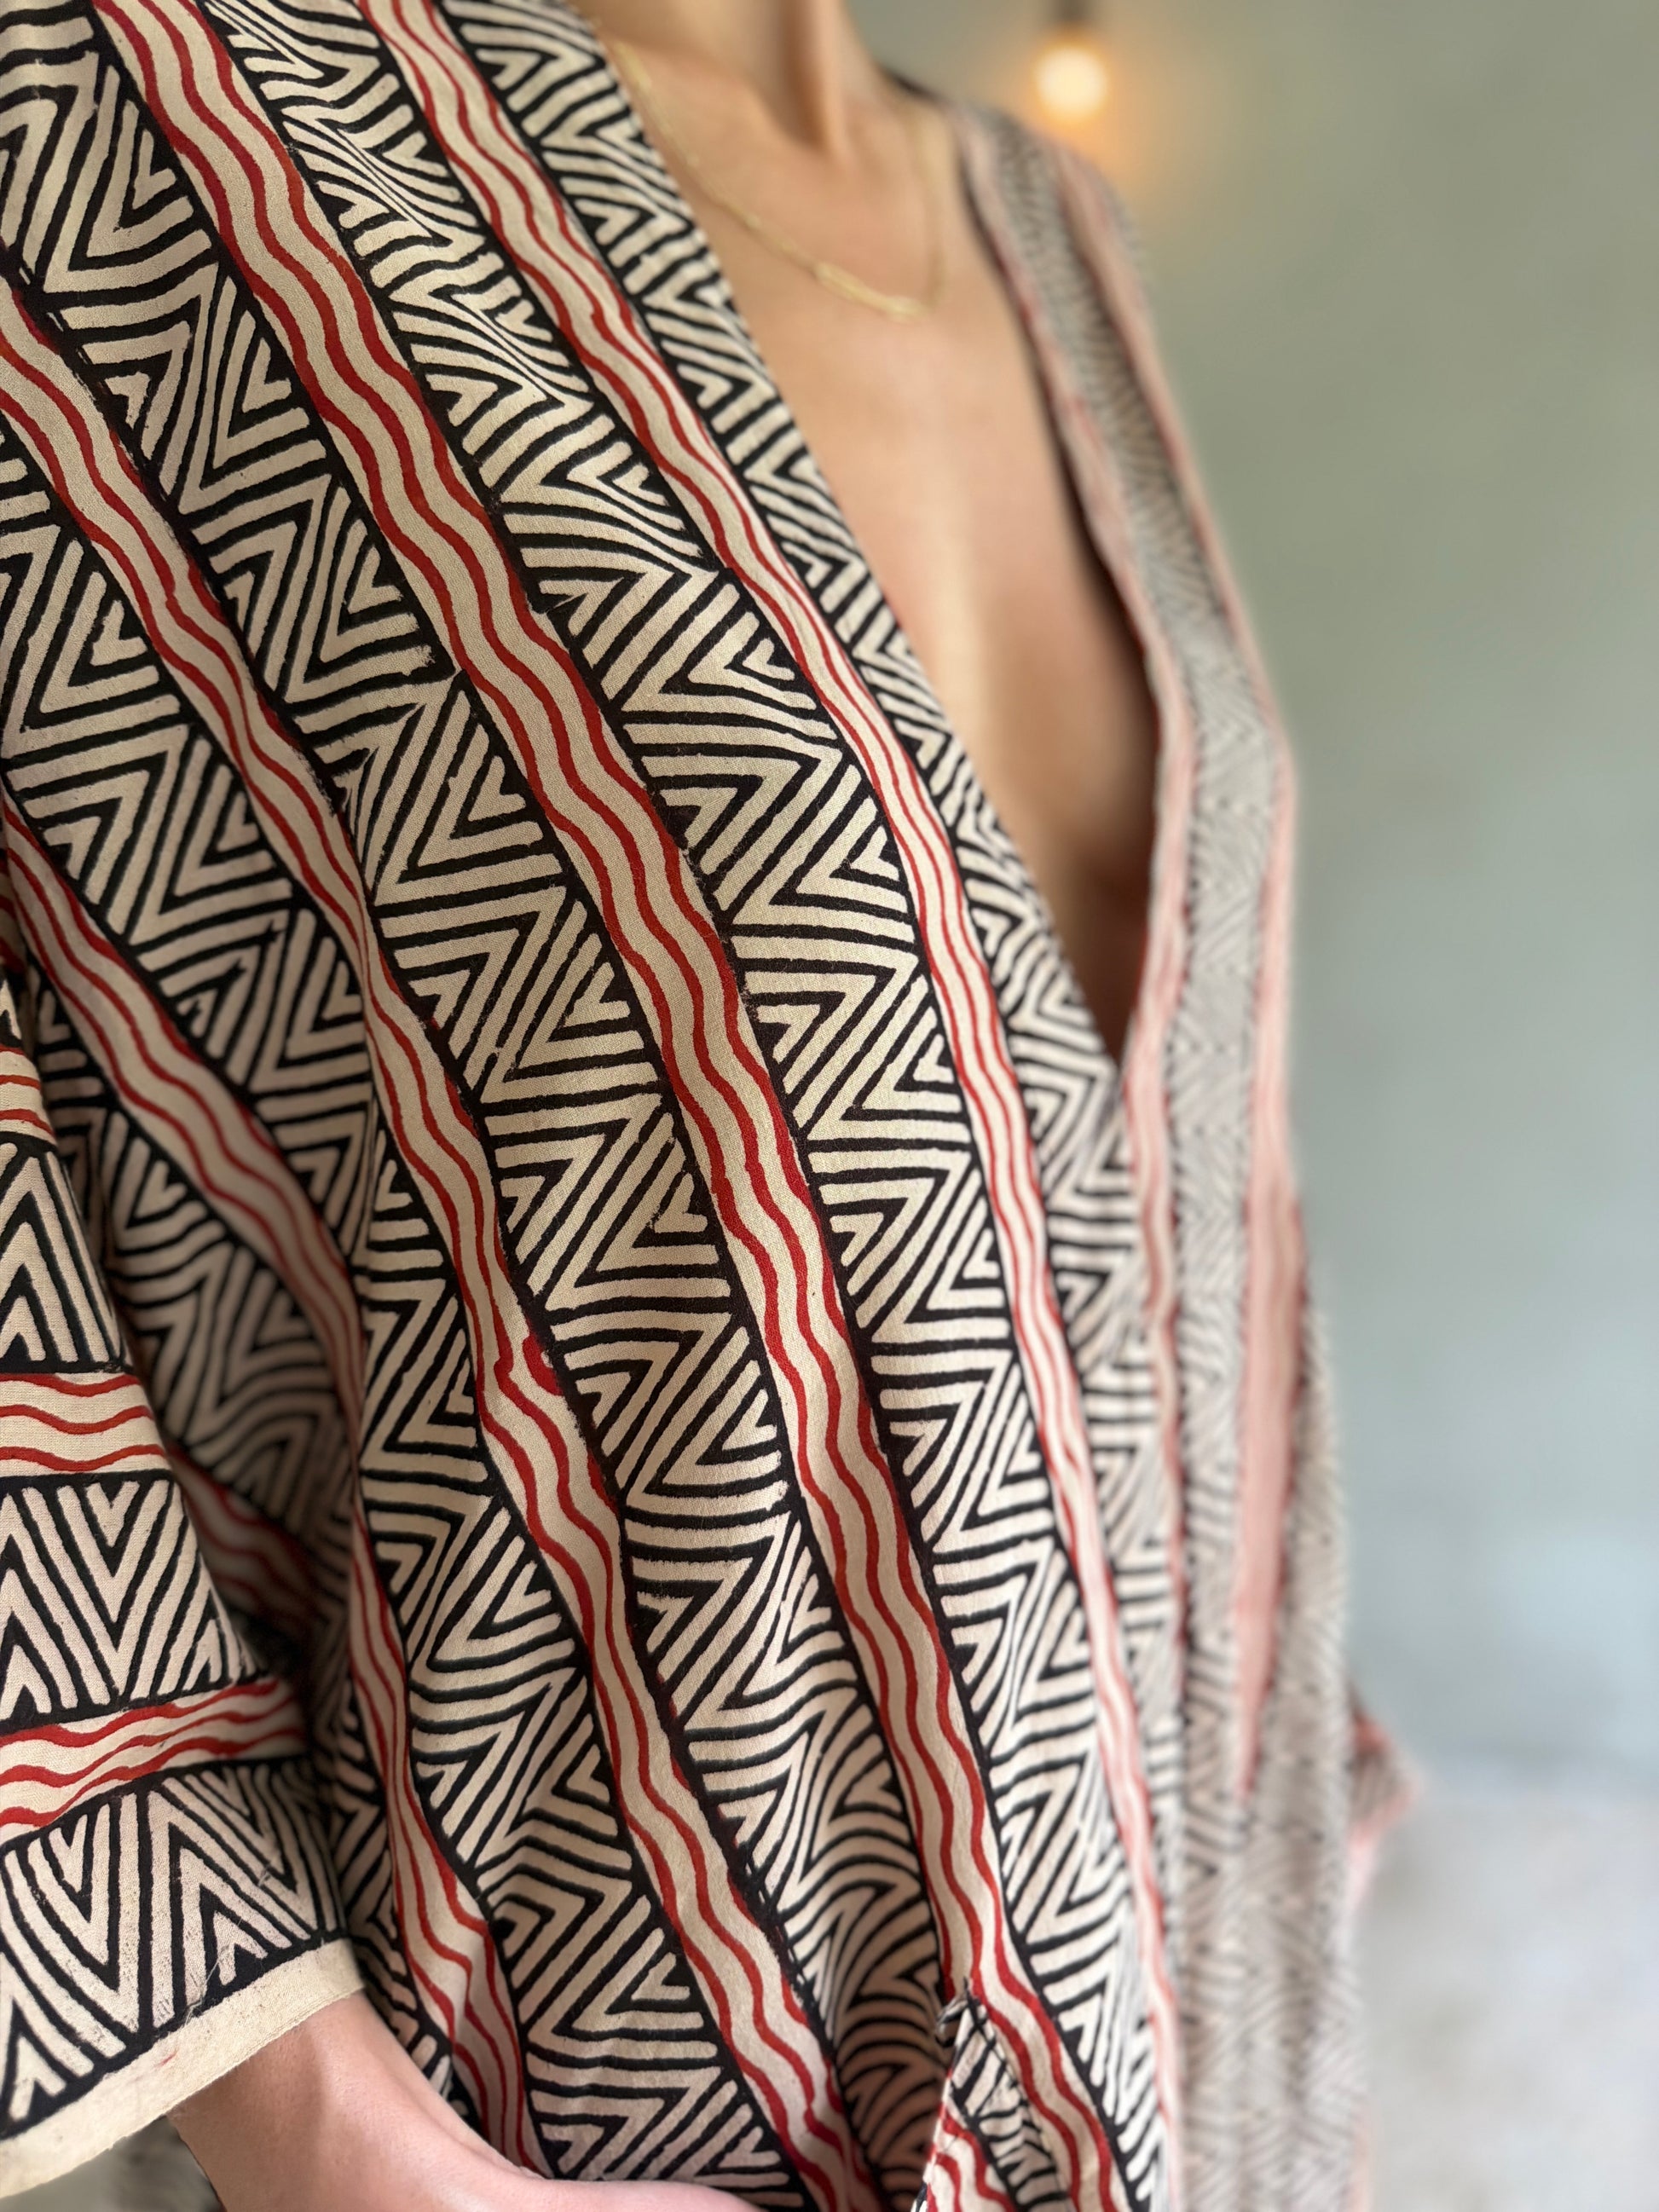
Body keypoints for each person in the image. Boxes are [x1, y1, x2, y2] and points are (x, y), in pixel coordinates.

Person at [0, 2, 1401, 2207]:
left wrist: (1279, 1863)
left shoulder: (1047, 224)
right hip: (595, 2084)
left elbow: (1182, 1203)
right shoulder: (134, 113)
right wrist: (321, 2125)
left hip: (1196, 2046)